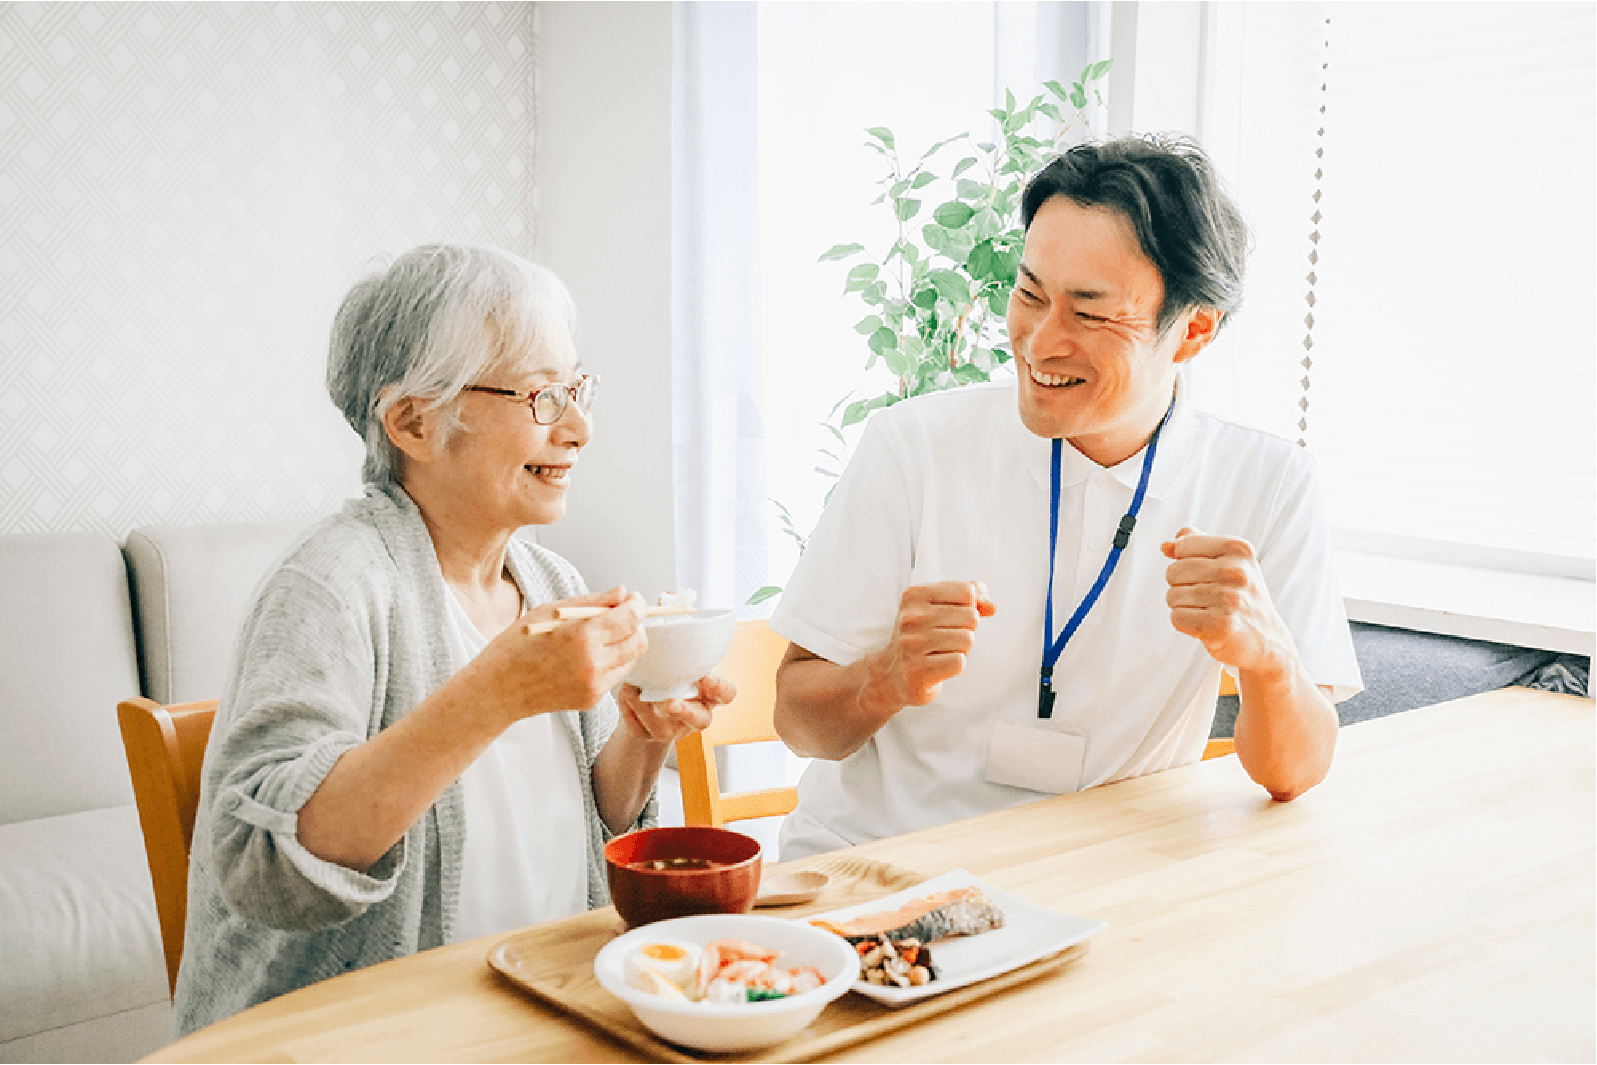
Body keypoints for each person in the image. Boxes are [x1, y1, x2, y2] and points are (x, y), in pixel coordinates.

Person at [173, 245, 733, 1033]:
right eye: (542, 394)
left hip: (536, 1012)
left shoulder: (551, 583)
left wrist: (638, 733)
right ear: (414, 422)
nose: (579, 426)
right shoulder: (332, 586)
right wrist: (497, 691)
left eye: (576, 387)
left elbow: (583, 813)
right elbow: (265, 867)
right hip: (358, 1038)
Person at [770, 135, 1363, 861]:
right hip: (883, 866)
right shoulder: (912, 446)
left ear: (1193, 329)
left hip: (1099, 890)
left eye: (1088, 313)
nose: (1038, 341)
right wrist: (883, 675)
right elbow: (799, 723)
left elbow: (1294, 773)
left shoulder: (1268, 480)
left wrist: (1267, 658)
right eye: (1028, 293)